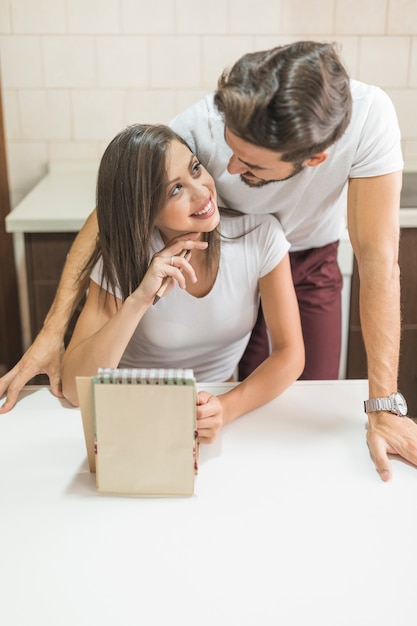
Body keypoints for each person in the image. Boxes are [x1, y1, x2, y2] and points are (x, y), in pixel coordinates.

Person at [1, 40, 416, 479]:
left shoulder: (369, 121)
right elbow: (114, 214)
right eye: (224, 153)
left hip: (297, 253)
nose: (230, 169)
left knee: (299, 407)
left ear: (313, 159)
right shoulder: (199, 129)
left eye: (251, 164)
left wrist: (385, 405)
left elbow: (377, 260)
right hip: (220, 250)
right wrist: (53, 330)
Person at [60, 123, 304, 442]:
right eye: (176, 189)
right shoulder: (123, 255)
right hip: (134, 413)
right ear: (144, 210)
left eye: (195, 169)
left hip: (216, 408)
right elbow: (73, 388)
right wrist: (139, 300)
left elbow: (290, 354)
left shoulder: (260, 237)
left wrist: (225, 408)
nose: (202, 191)